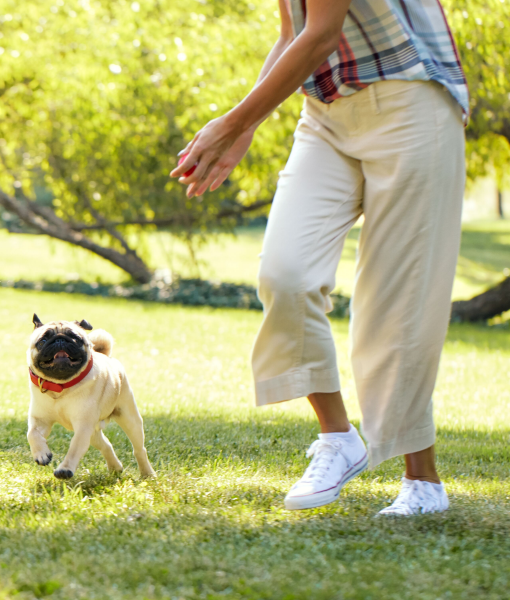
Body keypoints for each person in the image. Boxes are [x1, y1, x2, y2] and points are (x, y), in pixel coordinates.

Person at [170, 0, 467, 516]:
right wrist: (244, 131)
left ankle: (423, 483)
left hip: (410, 104)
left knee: (400, 303)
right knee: (285, 273)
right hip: (326, 116)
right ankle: (338, 436)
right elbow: (294, 33)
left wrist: (232, 122)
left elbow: (323, 35)